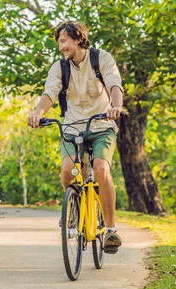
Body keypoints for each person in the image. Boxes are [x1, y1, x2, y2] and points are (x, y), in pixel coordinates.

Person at [27, 21, 124, 254]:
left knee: (101, 169)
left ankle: (110, 230)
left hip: (102, 125)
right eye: (59, 42)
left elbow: (114, 84)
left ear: (78, 39)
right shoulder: (60, 67)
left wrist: (116, 107)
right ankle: (75, 209)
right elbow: (49, 92)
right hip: (72, 127)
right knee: (68, 170)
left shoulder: (101, 58)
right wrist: (38, 113)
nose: (61, 47)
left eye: (63, 41)